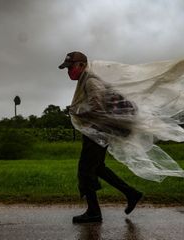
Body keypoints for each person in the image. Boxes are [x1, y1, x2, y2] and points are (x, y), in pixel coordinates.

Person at [59, 51, 143, 224]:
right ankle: (131, 193)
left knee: (85, 170)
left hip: (98, 132)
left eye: (71, 67)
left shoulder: (90, 81)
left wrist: (76, 111)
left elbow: (97, 108)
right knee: (97, 168)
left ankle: (94, 212)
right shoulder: (87, 80)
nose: (69, 72)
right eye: (67, 69)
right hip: (99, 131)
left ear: (82, 65)